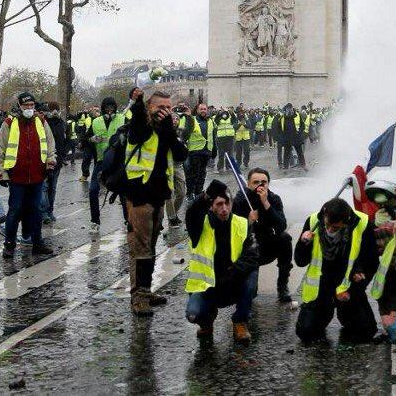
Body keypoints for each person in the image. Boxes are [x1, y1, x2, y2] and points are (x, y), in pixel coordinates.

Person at [124, 89, 188, 316]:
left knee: (150, 247)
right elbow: (138, 120)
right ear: (150, 108)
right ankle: (138, 297)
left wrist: (170, 130)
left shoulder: (166, 130)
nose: (165, 111)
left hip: (160, 195)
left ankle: (146, 290)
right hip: (139, 194)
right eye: (160, 107)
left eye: (169, 108)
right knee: (140, 248)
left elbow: (181, 155)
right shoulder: (140, 127)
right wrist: (139, 101)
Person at [294, 197, 378, 343]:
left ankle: (345, 314)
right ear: (325, 215)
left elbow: (372, 263)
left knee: (366, 332)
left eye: (336, 228)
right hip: (321, 284)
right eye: (327, 225)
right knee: (306, 332)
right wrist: (303, 243)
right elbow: (300, 261)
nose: (330, 230)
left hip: (348, 284)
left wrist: (355, 287)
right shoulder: (313, 221)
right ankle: (324, 313)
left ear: (347, 221)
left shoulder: (362, 224)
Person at [185, 180, 259, 342]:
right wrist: (206, 195)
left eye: (227, 203)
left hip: (233, 282)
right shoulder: (199, 226)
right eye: (219, 204)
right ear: (211, 206)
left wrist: (232, 273)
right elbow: (192, 212)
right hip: (207, 287)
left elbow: (252, 256)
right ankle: (206, 321)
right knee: (193, 314)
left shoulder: (243, 224)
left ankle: (240, 321)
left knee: (252, 274)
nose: (224, 208)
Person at [0, 92, 56, 257]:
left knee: (36, 210)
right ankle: (9, 244)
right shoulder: (9, 123)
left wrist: (50, 164)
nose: (29, 108)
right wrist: (1, 173)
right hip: (17, 177)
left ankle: (37, 243)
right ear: (20, 106)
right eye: (26, 106)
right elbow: (0, 149)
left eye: (31, 106)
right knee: (15, 211)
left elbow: (50, 145)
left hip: (37, 175)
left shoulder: (41, 122)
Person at [232, 167, 293, 303]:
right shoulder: (240, 200)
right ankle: (247, 286)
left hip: (267, 245)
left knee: (285, 238)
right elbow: (233, 232)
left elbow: (281, 225)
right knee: (250, 294)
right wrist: (248, 222)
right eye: (256, 182)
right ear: (248, 184)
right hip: (248, 247)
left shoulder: (274, 198)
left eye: (264, 182)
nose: (260, 185)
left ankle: (282, 285)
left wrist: (266, 203)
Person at [89, 97, 126, 230]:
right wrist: (91, 139)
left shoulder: (122, 119)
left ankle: (128, 220)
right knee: (93, 190)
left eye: (111, 108)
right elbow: (86, 138)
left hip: (118, 161)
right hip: (101, 160)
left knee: (123, 192)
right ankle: (95, 221)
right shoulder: (96, 121)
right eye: (106, 108)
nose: (109, 110)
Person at [180, 102, 214, 208]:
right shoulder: (192, 120)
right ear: (197, 110)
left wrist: (214, 150)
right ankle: (190, 193)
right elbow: (185, 135)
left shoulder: (210, 121)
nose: (203, 111)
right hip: (194, 151)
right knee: (193, 174)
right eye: (201, 109)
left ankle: (199, 192)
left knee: (202, 173)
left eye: (205, 109)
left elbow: (212, 135)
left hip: (206, 151)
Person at [42, 102, 68, 224]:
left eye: (56, 109)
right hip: (46, 160)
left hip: (57, 161)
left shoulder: (61, 123)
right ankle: (44, 212)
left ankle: (50, 211)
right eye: (53, 110)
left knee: (52, 188)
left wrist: (62, 156)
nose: (55, 112)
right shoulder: (43, 123)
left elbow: (66, 139)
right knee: (45, 187)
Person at [276, 104, 306, 171]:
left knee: (300, 152)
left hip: (296, 137)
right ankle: (285, 167)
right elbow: (278, 128)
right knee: (286, 153)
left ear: (292, 109)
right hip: (287, 139)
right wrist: (281, 136)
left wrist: (300, 131)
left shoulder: (298, 115)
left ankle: (303, 165)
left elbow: (302, 125)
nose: (289, 111)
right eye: (288, 109)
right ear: (286, 109)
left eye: (290, 109)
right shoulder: (282, 118)